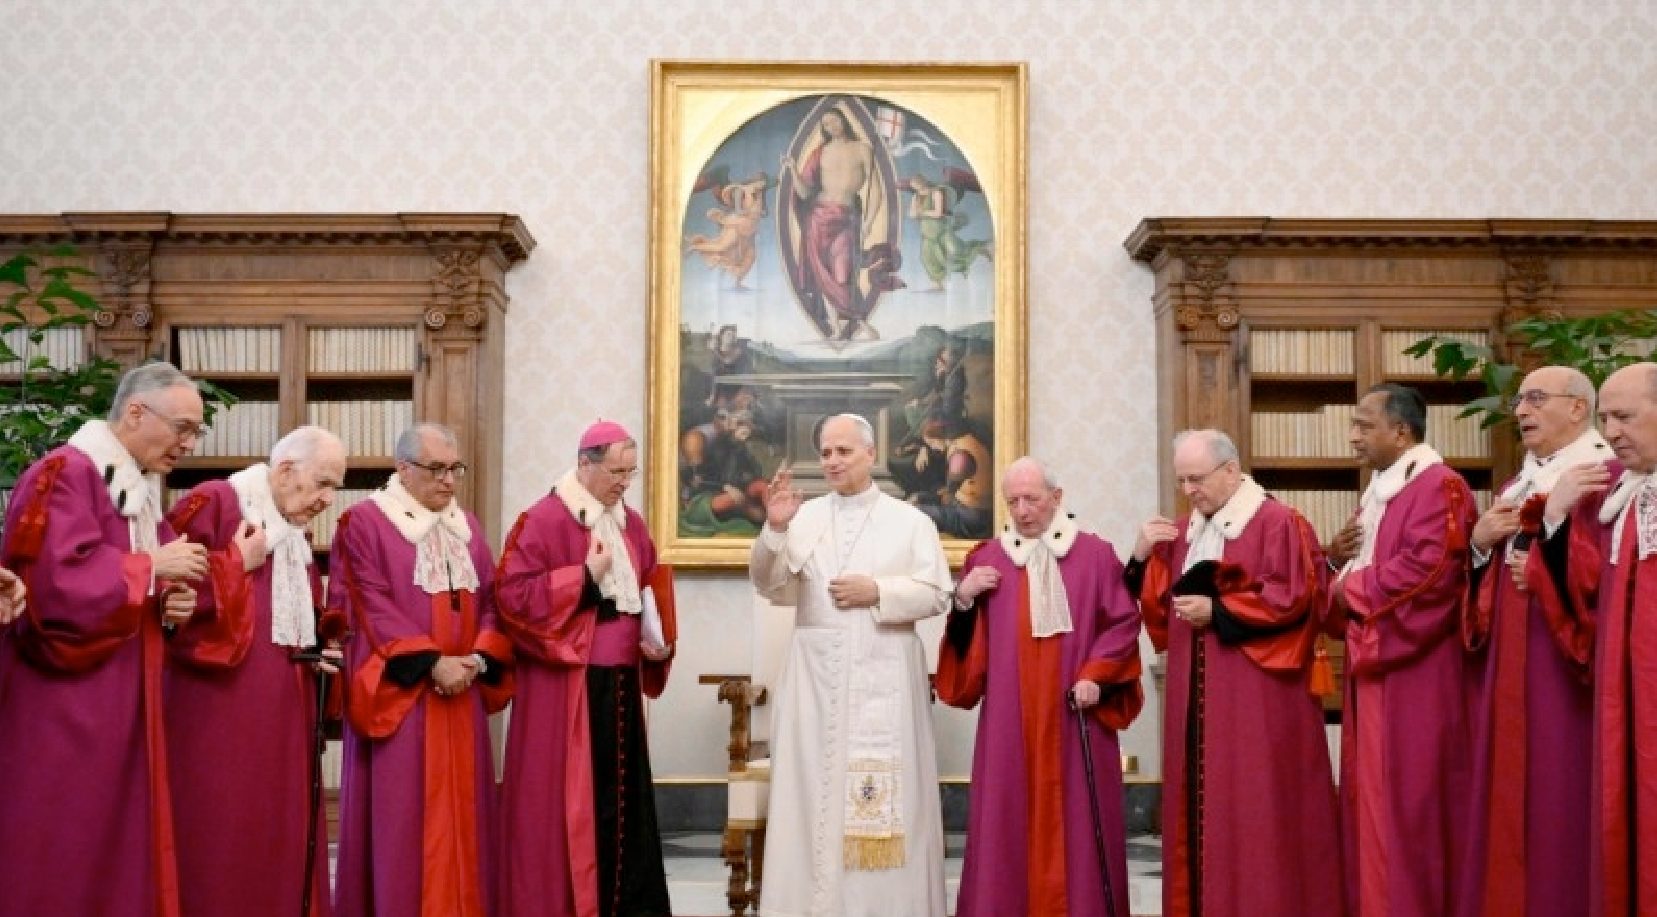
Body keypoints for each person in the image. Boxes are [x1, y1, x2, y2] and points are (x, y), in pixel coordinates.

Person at [0, 361, 209, 917]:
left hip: (126, 695)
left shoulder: (136, 487)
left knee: (121, 839)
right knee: (69, 840)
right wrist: (151, 568)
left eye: (196, 432)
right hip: (70, 704)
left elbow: (148, 585)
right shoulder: (65, 473)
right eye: (183, 428)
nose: (189, 444)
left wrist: (171, 604)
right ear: (136, 412)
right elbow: (52, 587)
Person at [1128, 428, 1343, 917]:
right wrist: (1141, 556)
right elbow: (1158, 613)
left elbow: (1293, 598)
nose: (1188, 491)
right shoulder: (1184, 533)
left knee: (1259, 815)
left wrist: (1219, 611)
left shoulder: (1278, 523)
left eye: (1197, 479)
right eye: (1182, 481)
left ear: (1230, 470)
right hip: (1197, 702)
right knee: (1203, 815)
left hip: (1259, 704)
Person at [750, 413, 951, 917]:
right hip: (814, 684)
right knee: (812, 797)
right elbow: (770, 585)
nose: (833, 461)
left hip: (885, 673)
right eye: (826, 453)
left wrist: (878, 590)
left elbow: (936, 593)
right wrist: (775, 529)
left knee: (887, 799)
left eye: (843, 451)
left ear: (870, 454)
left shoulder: (910, 522)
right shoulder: (803, 517)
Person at [937, 457, 1144, 917]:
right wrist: (965, 597)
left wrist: (1095, 674)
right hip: (1009, 722)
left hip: (1076, 715)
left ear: (1057, 497)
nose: (1022, 511)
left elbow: (1123, 623)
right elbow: (966, 654)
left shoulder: (1095, 555)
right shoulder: (988, 559)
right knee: (1005, 822)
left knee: (1079, 823)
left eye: (1031, 499)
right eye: (1012, 502)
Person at [163, 425, 349, 917]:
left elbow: (288, 621)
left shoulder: (293, 532)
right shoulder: (217, 503)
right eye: (323, 483)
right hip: (218, 713)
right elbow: (165, 596)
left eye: (335, 487)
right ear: (285, 470)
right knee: (222, 835)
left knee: (280, 831)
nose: (329, 499)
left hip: (285, 711)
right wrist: (234, 563)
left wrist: (317, 651)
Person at [330, 422, 512, 917]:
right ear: (403, 469)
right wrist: (432, 663)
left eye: (455, 469)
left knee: (466, 822)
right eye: (436, 469)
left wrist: (476, 659)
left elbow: (492, 601)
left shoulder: (467, 527)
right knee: (404, 825)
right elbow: (368, 604)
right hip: (405, 698)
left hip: (462, 694)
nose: (449, 481)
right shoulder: (364, 523)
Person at [496, 420, 677, 917]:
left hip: (621, 686)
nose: (624, 482)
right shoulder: (542, 520)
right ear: (584, 463)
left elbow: (647, 591)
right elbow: (511, 598)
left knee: (625, 806)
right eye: (616, 472)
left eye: (630, 472)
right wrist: (582, 578)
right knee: (574, 808)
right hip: (569, 687)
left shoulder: (631, 524)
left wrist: (655, 643)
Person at [1461, 367, 1611, 917]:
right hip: (1513, 667)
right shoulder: (1515, 486)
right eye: (1520, 400)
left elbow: (1605, 584)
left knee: (1561, 796)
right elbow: (1488, 593)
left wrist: (1548, 553)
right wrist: (1480, 546)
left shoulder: (1601, 477)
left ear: (1577, 408)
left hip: (1565, 670)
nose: (1521, 410)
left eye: (1537, 398)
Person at [1327, 384, 1478, 917]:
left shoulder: (1440, 486)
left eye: (1364, 425)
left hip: (1419, 672)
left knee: (1412, 804)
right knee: (1372, 801)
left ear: (1402, 432)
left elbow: (1431, 571)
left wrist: (1348, 589)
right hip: (1376, 669)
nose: (1353, 436)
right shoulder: (1382, 491)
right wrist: (1334, 568)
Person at [1525, 362, 1657, 916]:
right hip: (1627, 701)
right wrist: (1555, 518)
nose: (1612, 432)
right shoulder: (1619, 495)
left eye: (1624, 416)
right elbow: (1586, 600)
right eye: (1605, 418)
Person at [782, 107, 902, 341]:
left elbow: (876, 190)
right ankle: (836, 327)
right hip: (818, 218)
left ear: (843, 120)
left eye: (834, 120)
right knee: (823, 275)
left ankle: (860, 321)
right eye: (826, 124)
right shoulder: (820, 152)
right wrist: (793, 169)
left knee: (842, 275)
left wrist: (869, 221)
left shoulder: (862, 149)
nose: (831, 126)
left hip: (846, 218)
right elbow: (804, 193)